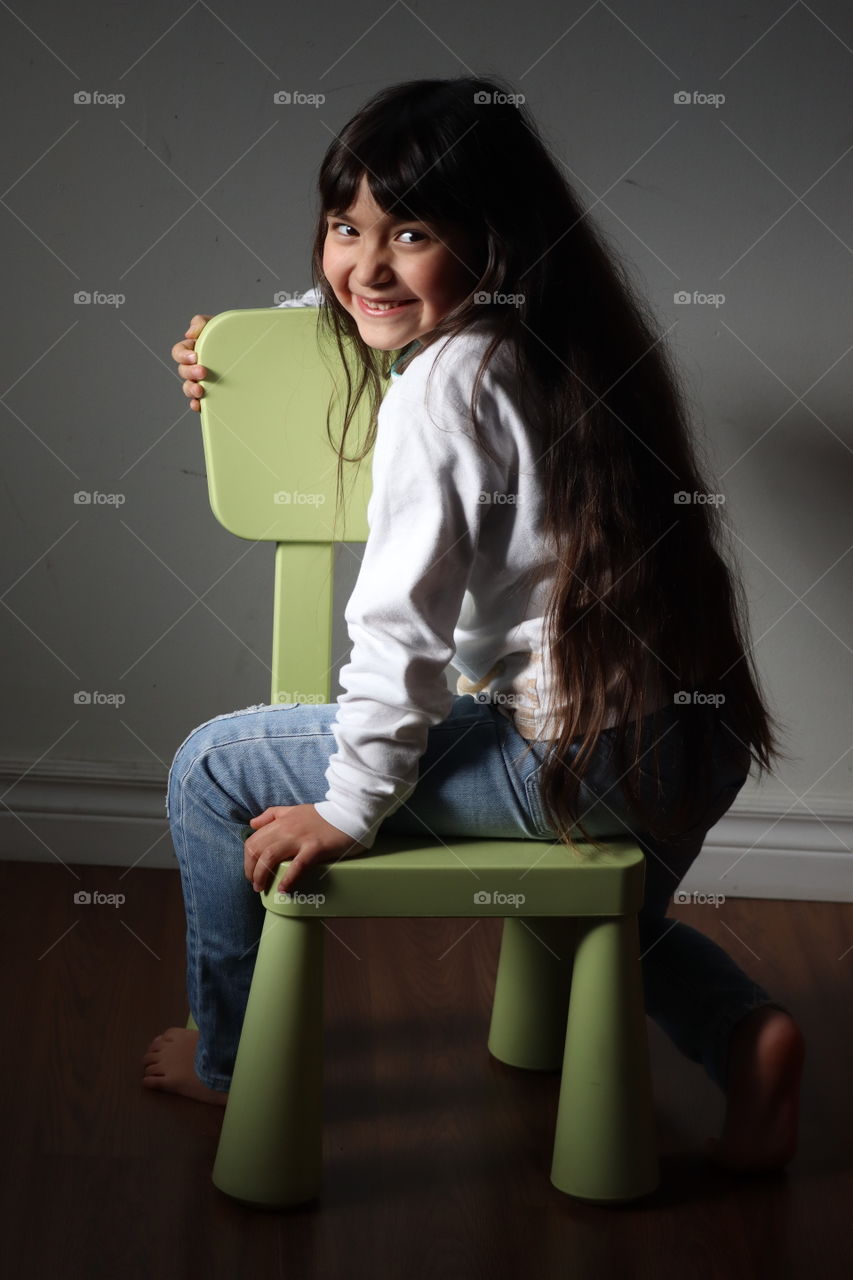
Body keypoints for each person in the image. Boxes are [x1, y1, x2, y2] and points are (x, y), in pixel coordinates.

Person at [145, 75, 805, 1173]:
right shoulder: (573, 340)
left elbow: (399, 623)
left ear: (489, 239)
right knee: (593, 910)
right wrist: (252, 345)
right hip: (684, 740)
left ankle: (228, 1059)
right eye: (344, 228)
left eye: (408, 230)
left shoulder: (441, 389)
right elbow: (390, 307)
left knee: (211, 765)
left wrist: (350, 806)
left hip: (573, 755)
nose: (364, 262)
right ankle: (744, 1030)